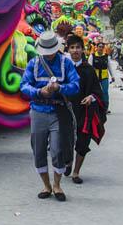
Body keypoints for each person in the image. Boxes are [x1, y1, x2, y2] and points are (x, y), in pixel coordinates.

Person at [20, 30, 79, 202]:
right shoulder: (33, 63)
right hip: (38, 111)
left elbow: (75, 85)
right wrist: (39, 91)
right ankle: (46, 185)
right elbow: (24, 85)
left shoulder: (66, 64)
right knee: (38, 150)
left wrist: (59, 88)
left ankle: (57, 185)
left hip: (58, 111)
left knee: (57, 149)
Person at [65, 34, 105, 184]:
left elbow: (97, 91)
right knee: (64, 141)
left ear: (83, 50)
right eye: (72, 47)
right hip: (66, 110)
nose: (75, 50)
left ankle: (76, 172)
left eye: (78, 47)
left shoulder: (88, 70)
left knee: (83, 142)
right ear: (68, 49)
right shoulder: (63, 68)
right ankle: (67, 162)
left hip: (84, 111)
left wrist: (91, 97)